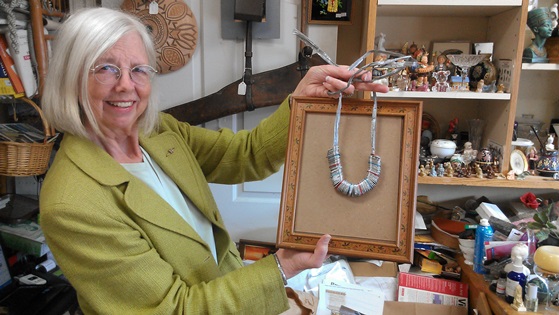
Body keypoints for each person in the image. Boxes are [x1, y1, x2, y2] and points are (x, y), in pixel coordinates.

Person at [38, 7, 389, 315]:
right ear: (71, 79)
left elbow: (245, 155)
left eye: (138, 70)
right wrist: (280, 268)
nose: (126, 86)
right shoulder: (72, 205)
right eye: (106, 69)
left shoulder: (157, 131)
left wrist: (301, 102)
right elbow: (173, 310)